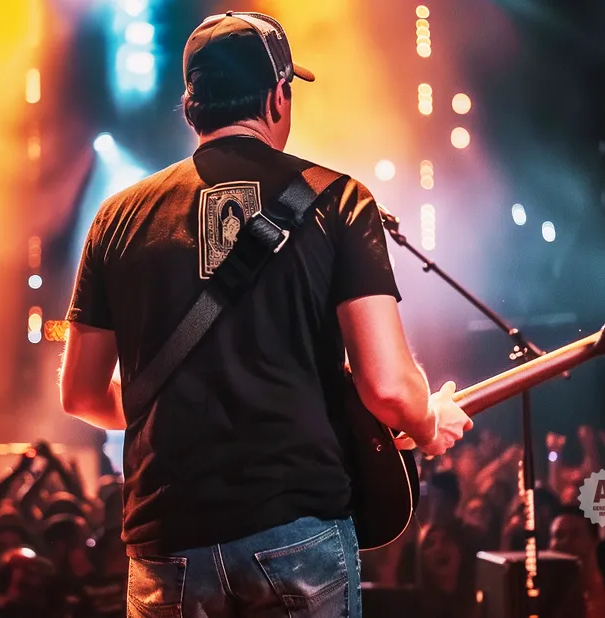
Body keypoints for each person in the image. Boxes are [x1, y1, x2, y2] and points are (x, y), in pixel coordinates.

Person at [59, 10, 472, 617]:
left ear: (190, 105)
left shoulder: (116, 219)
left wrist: (170, 401)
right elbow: (387, 386)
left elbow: (80, 394)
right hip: (296, 533)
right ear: (279, 96)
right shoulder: (340, 199)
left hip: (166, 543)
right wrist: (429, 423)